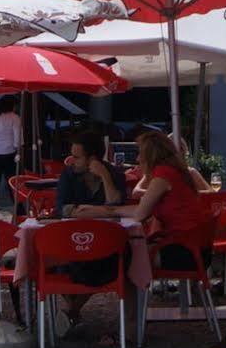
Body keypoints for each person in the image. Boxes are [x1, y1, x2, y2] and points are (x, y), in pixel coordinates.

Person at [65, 130, 206, 323]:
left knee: (124, 260)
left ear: (151, 155)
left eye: (140, 153)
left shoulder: (163, 175)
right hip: (193, 246)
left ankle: (127, 329)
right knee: (120, 257)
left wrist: (102, 212)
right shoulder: (173, 172)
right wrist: (102, 210)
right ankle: (80, 312)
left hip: (183, 251)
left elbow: (140, 213)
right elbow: (141, 208)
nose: (138, 158)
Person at [55, 128, 126, 218]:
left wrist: (105, 176)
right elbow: (61, 208)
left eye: (76, 157)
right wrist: (102, 211)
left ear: (92, 159)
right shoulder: (68, 174)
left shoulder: (115, 173)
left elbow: (117, 205)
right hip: (74, 228)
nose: (71, 161)